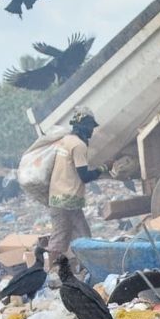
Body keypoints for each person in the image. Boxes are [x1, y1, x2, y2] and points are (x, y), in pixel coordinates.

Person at [47, 106, 111, 263]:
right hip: (67, 200)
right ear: (84, 125)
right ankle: (51, 270)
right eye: (90, 127)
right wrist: (104, 168)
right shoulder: (78, 146)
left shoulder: (66, 140)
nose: (91, 131)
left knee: (79, 236)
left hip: (60, 198)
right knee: (65, 239)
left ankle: (81, 267)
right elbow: (85, 176)